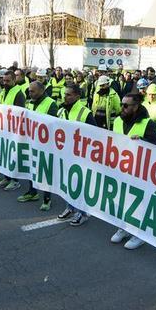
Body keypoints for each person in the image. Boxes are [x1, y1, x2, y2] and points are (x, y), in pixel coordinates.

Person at [109, 92, 156, 250]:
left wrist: (143, 142)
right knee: (122, 199)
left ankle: (140, 233)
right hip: (120, 167)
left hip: (139, 170)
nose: (122, 108)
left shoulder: (147, 123)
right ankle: (124, 227)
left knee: (139, 201)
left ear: (136, 106)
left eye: (126, 105)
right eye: (122, 104)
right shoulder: (117, 120)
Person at [56, 84, 96, 226]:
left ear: (77, 96)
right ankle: (70, 207)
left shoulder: (85, 112)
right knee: (67, 182)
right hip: (65, 152)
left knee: (79, 184)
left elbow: (94, 134)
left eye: (68, 95)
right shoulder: (61, 110)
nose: (65, 97)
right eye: (64, 94)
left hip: (80, 155)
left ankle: (82, 213)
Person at [16, 81, 59, 210]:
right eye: (29, 91)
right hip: (31, 141)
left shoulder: (51, 103)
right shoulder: (29, 102)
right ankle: (32, 192)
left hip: (45, 144)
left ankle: (47, 199)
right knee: (31, 167)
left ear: (41, 90)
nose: (29, 93)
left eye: (32, 91)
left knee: (45, 171)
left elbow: (53, 124)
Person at [0, 70, 25, 192]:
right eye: (3, 80)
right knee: (5, 155)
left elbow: (19, 113)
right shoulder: (4, 91)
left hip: (13, 130)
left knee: (13, 156)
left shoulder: (18, 93)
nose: (4, 82)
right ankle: (6, 177)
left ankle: (15, 181)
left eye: (7, 80)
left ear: (13, 80)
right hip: (3, 128)